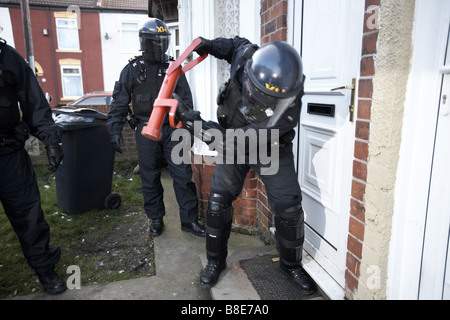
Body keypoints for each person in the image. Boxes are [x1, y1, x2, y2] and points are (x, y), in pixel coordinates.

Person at [176, 36, 316, 294]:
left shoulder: (290, 103)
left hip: (270, 146)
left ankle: (291, 265)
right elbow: (233, 45)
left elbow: (237, 143)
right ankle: (215, 262)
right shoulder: (245, 56)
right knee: (218, 201)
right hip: (235, 137)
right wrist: (210, 45)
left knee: (288, 206)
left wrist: (195, 124)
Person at [107, 18, 205, 237]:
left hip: (173, 129)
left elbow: (186, 101)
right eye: (155, 42)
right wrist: (114, 129)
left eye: (163, 41)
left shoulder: (174, 68)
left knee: (183, 175)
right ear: (145, 43)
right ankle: (155, 218)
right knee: (150, 178)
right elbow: (119, 101)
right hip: (145, 129)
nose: (160, 46)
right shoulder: (132, 70)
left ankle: (189, 220)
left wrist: (188, 127)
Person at [0, 38, 66, 295]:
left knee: (28, 213)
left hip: (8, 152)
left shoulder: (7, 57)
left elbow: (34, 102)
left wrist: (51, 141)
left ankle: (44, 268)